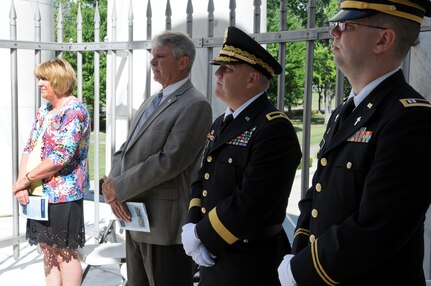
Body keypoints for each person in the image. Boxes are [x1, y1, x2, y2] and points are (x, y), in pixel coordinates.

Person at [278, 0, 431, 285]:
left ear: (383, 39)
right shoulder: (346, 112)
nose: (334, 32)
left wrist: (303, 269)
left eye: (346, 25)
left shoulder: (409, 119)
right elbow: (317, 196)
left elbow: (379, 228)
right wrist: (298, 254)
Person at [181, 26, 302, 286]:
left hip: (250, 262)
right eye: (219, 67)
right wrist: (191, 225)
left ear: (252, 79)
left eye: (227, 69)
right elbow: (201, 180)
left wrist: (201, 234)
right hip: (214, 256)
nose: (218, 73)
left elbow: (252, 201)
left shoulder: (273, 128)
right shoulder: (221, 123)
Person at [101, 31, 212, 286]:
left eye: (160, 56)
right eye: (153, 56)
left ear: (183, 62)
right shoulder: (152, 100)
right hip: (134, 218)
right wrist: (111, 186)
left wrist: (118, 188)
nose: (152, 62)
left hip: (165, 227)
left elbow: (168, 162)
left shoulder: (196, 104)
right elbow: (126, 149)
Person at [12, 57, 90, 286]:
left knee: (65, 252)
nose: (40, 83)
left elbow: (60, 157)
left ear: (59, 79)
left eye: (44, 78)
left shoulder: (74, 111)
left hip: (63, 195)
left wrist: (25, 180)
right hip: (39, 191)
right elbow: (29, 147)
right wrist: (21, 183)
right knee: (47, 249)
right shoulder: (44, 111)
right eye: (39, 78)